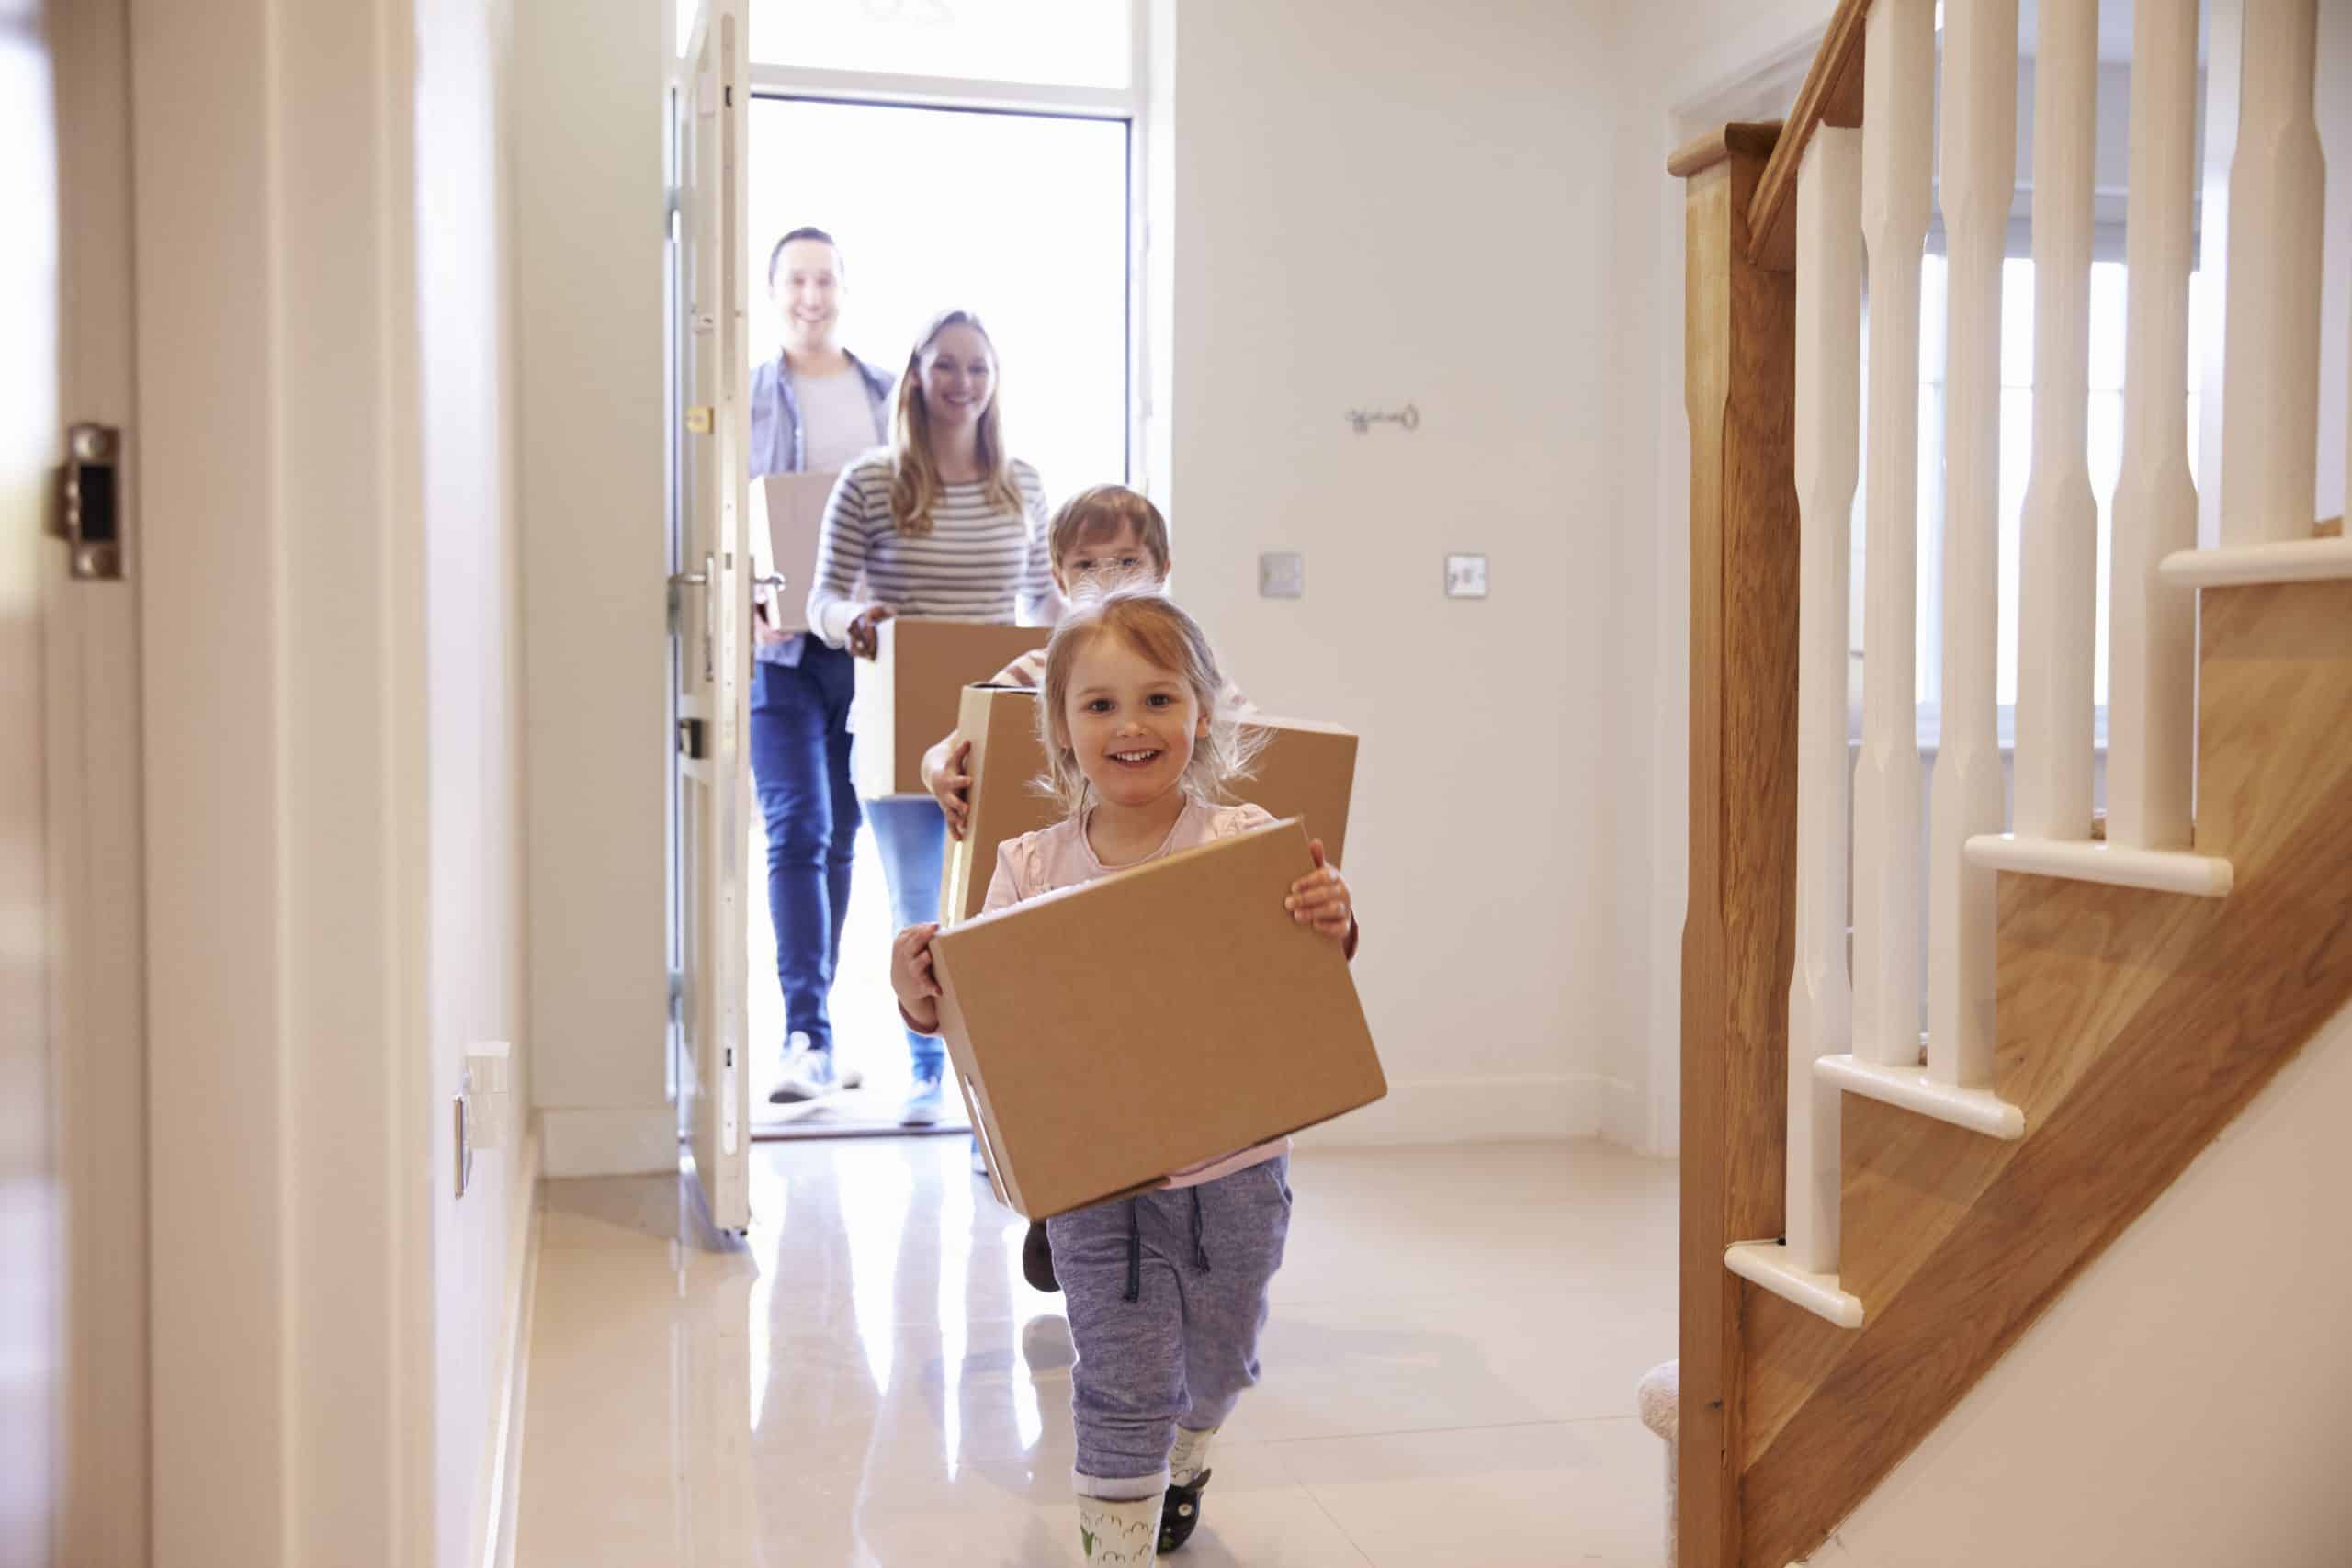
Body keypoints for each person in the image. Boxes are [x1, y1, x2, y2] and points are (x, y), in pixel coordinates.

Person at [888, 590, 1358, 1564]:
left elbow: (1304, 980)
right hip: (1095, 1186)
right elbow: (983, 1022)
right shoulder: (1027, 867)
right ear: (1059, 732)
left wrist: (1332, 919)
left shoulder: (1243, 841)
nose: (1130, 726)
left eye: (1157, 699)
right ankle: (1118, 1540)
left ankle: (1192, 1452)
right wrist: (918, 989)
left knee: (1218, 1363)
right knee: (1117, 1377)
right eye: (1097, 706)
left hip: (1236, 1171)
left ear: (1202, 713)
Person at [808, 309, 1058, 1127]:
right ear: (916, 375)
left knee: (1005, 909)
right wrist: (851, 619)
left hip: (998, 731)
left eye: (977, 368)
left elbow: (1043, 601)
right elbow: (821, 597)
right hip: (900, 732)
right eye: (945, 367)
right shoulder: (873, 482)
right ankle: (926, 1069)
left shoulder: (1020, 482)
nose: (962, 384)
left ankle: (995, 1090)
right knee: (922, 906)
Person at [749, 227, 896, 1107]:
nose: (811, 295)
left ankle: (822, 1023)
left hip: (867, 645)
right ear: (774, 291)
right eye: (796, 280)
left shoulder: (882, 394)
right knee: (794, 824)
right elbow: (721, 499)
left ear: (843, 288)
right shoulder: (752, 393)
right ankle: (804, 1029)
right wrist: (739, 599)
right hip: (781, 650)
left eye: (824, 279)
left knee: (844, 834)